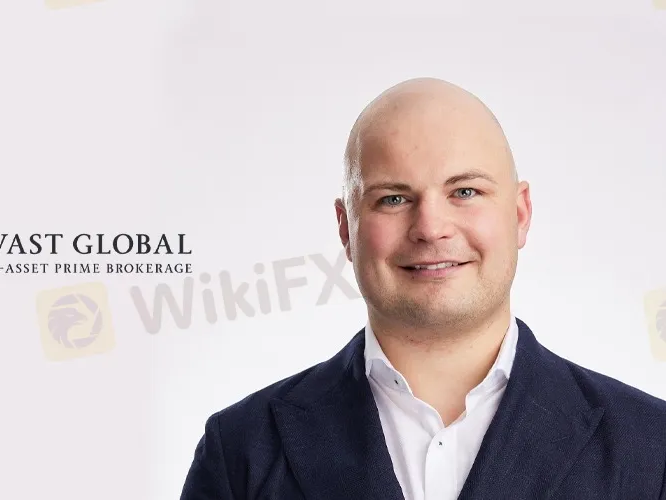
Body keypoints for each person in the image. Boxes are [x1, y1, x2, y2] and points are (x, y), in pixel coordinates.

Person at [179, 78, 666, 500]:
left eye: (465, 192)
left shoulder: (653, 448)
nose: (431, 228)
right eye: (393, 199)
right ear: (346, 228)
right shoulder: (240, 450)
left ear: (520, 214)